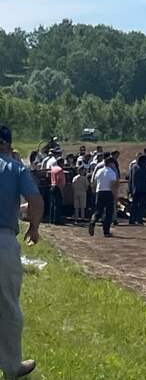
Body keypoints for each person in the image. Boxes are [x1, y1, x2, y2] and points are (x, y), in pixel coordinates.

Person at [0, 125, 43, 379]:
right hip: (2, 241)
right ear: (7, 144)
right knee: (7, 305)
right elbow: (36, 201)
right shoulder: (14, 168)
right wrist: (34, 229)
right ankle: (12, 365)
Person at [89, 156, 118, 237]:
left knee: (98, 211)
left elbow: (94, 182)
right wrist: (114, 195)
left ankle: (92, 222)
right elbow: (112, 185)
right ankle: (106, 231)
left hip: (99, 192)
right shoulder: (112, 172)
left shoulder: (99, 171)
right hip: (108, 192)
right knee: (109, 213)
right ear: (111, 163)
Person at [128, 154, 146, 225]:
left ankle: (132, 219)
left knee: (134, 205)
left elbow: (130, 179)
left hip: (134, 189)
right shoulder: (145, 168)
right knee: (141, 205)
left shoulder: (133, 167)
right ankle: (139, 219)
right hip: (142, 189)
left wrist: (130, 189)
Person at [49, 158, 66, 225]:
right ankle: (57, 220)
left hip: (52, 186)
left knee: (52, 204)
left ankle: (51, 219)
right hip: (57, 187)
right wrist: (61, 190)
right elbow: (59, 180)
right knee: (58, 204)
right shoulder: (60, 170)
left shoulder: (53, 169)